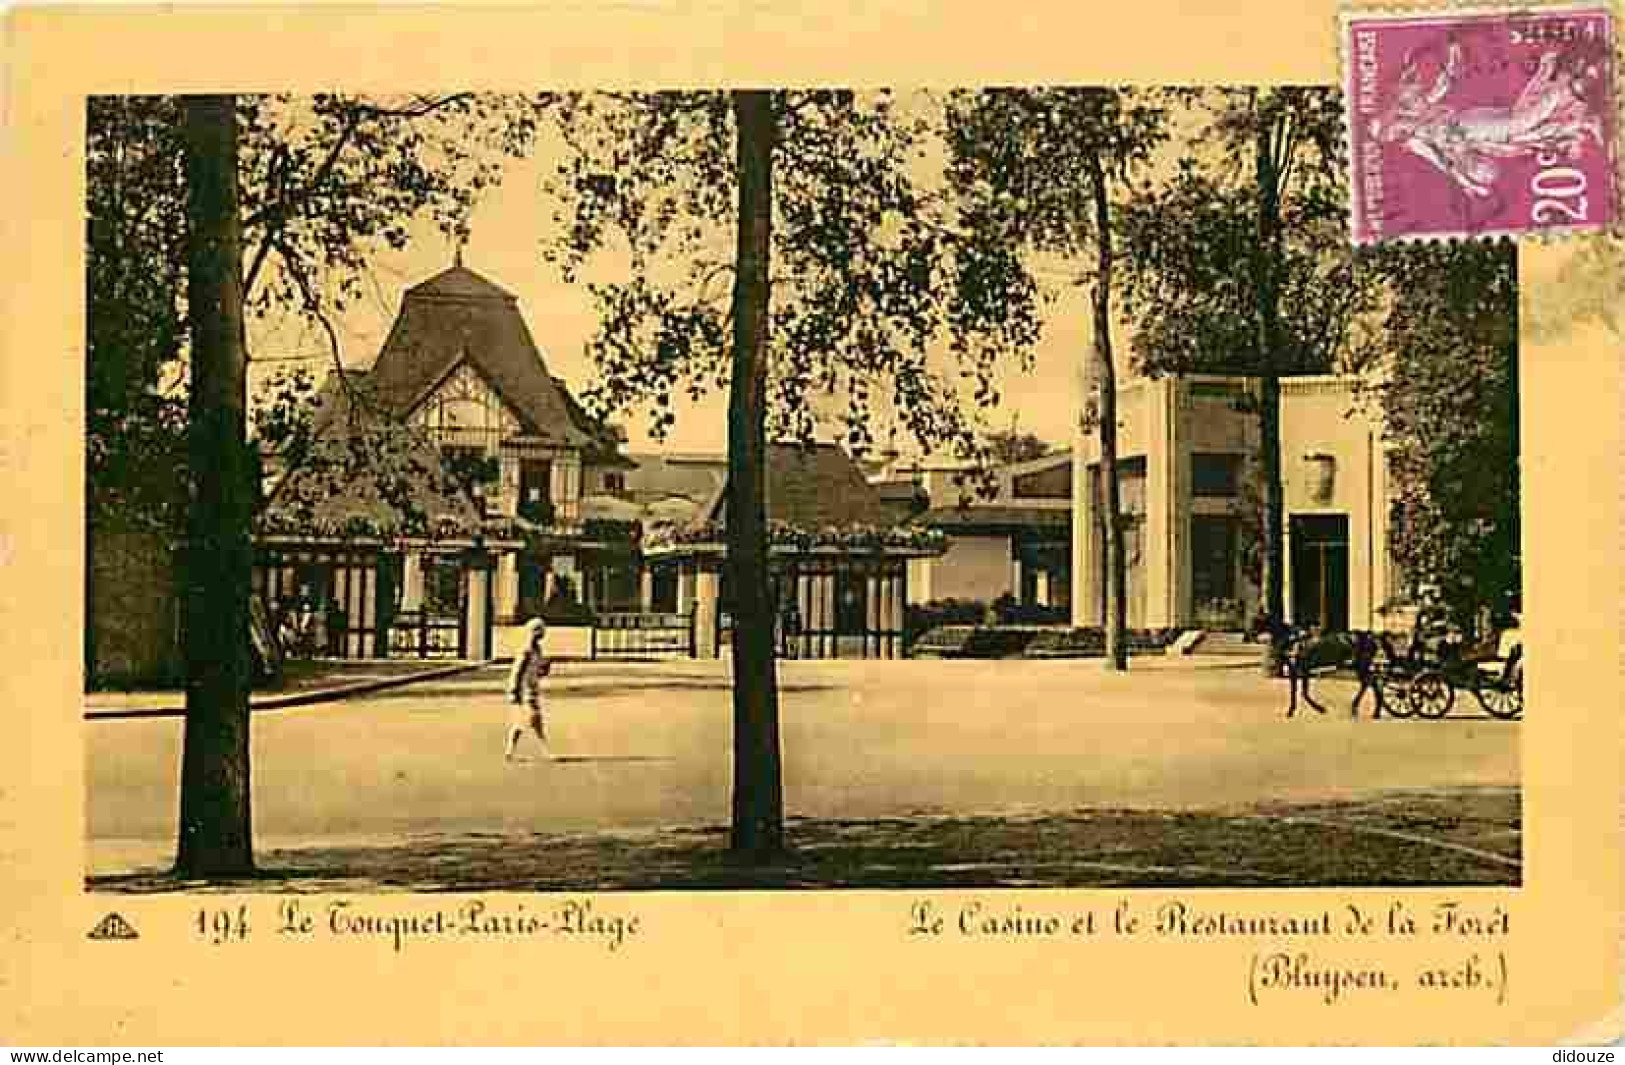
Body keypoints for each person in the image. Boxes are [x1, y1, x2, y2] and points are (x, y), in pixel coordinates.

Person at [505, 617, 552, 760]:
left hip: (532, 689)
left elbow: (537, 672)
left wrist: (544, 669)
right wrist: (513, 690)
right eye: (540, 630)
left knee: (521, 722)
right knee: (534, 719)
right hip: (524, 690)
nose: (543, 634)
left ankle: (510, 750)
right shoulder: (526, 650)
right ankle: (545, 749)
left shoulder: (537, 649)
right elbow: (517, 671)